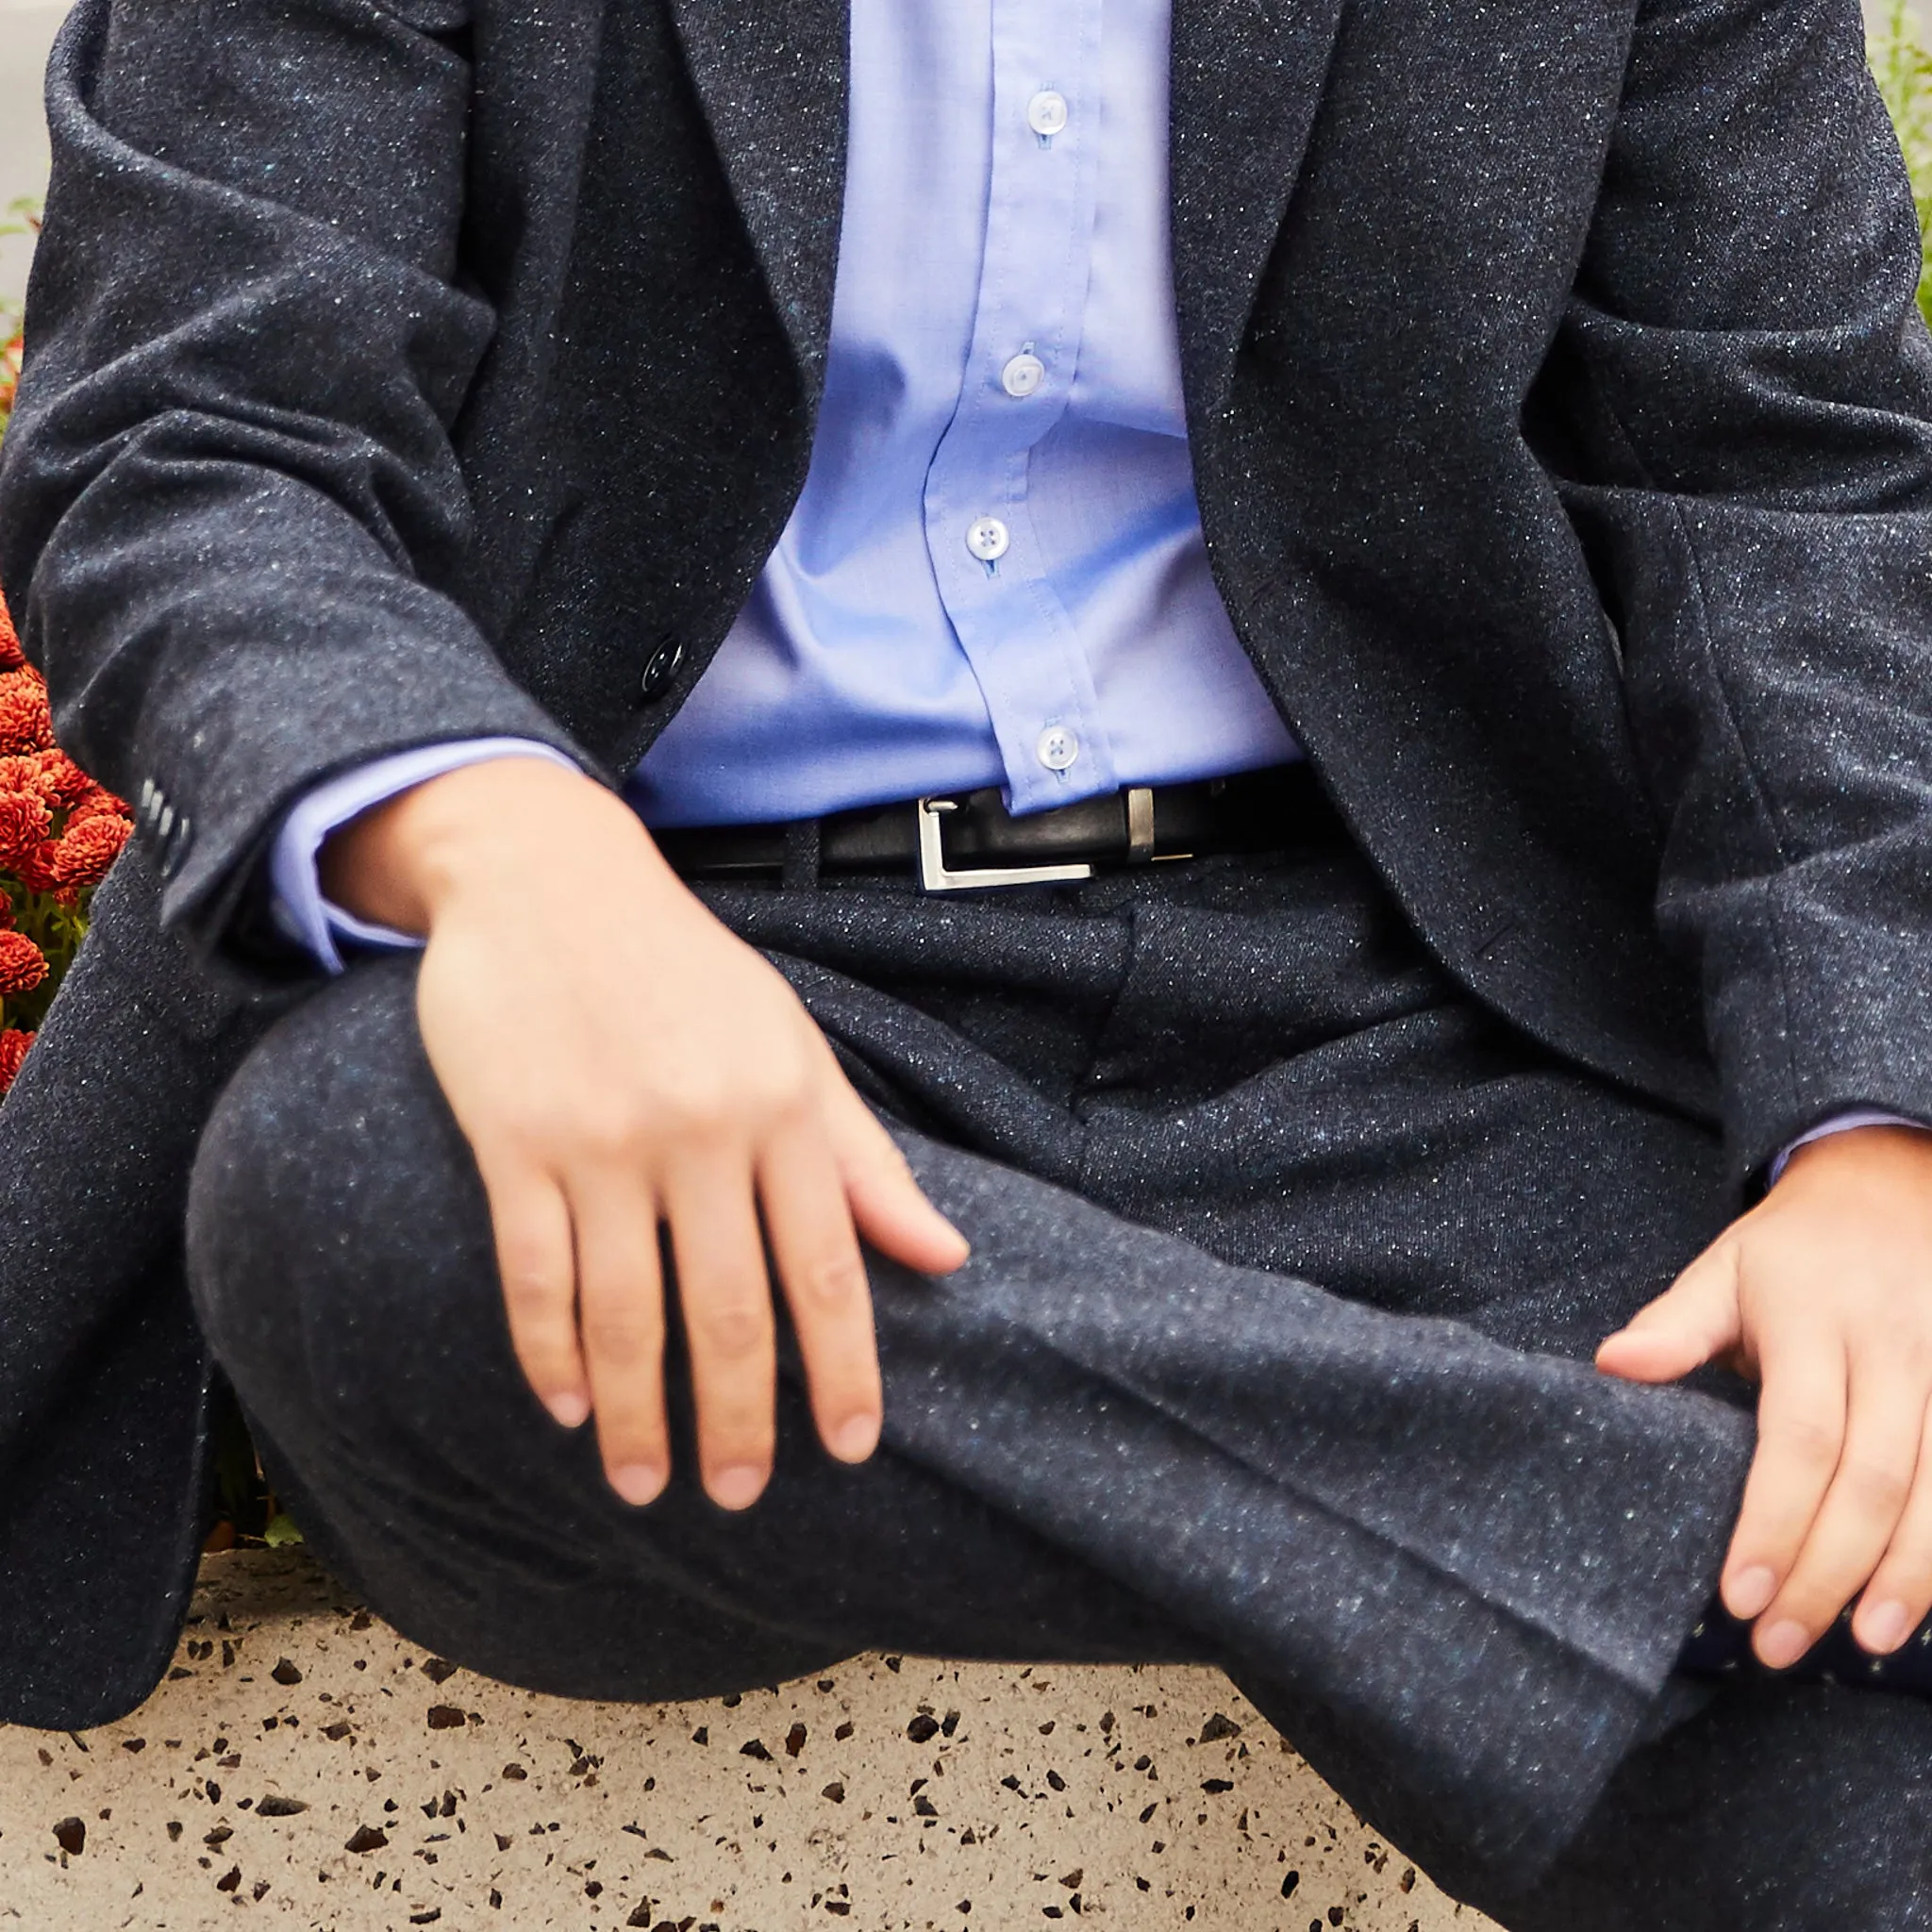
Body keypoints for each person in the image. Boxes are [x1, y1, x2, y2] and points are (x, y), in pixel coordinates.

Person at [5, 0, 1932, 1919]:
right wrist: (510, 852)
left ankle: (1636, 1570)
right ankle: (1692, 1565)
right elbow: (196, 434)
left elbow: (1779, 477)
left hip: (1409, 1021)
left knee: (1860, 1585)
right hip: (683, 961)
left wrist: (1874, 1129)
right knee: (359, 1189)